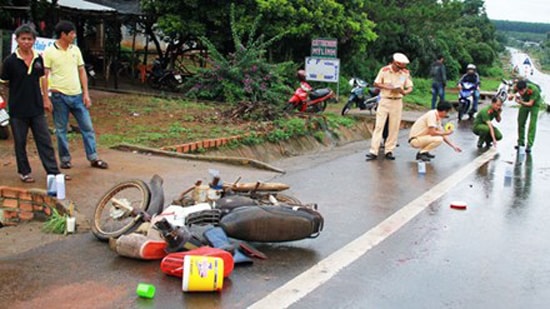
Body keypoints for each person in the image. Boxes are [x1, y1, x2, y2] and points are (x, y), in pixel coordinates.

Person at [0, 24, 67, 183]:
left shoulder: (38, 58)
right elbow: (4, 82)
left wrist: (45, 98)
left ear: (34, 41)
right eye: (23, 39)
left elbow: (42, 79)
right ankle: (24, 172)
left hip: (36, 107)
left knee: (45, 141)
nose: (26, 42)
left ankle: (53, 171)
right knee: (20, 142)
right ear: (17, 40)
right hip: (18, 110)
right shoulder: (10, 61)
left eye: (29, 39)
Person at [42, 20, 108, 169]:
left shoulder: (75, 50)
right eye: (71, 33)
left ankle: (93, 157)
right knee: (61, 130)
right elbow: (44, 76)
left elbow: (81, 71)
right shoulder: (49, 52)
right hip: (59, 96)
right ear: (63, 34)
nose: (74, 35)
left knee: (87, 127)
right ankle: (65, 160)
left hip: (77, 95)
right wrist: (46, 98)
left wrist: (86, 93)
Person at [366, 52, 413, 161]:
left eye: (401, 67)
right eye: (398, 67)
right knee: (379, 126)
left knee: (394, 127)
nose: (399, 69)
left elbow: (410, 86)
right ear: (394, 63)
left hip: (397, 101)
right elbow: (376, 83)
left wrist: (405, 92)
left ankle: (389, 150)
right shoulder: (384, 70)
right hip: (385, 100)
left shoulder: (404, 73)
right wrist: (386, 86)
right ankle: (374, 151)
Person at [511, 80, 543, 153]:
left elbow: (530, 104)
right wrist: (512, 95)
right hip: (524, 102)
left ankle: (529, 144)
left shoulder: (534, 90)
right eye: (519, 91)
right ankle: (520, 142)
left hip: (534, 105)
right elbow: (512, 92)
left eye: (522, 91)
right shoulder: (517, 87)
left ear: (526, 88)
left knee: (532, 124)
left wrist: (520, 102)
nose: (520, 93)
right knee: (520, 122)